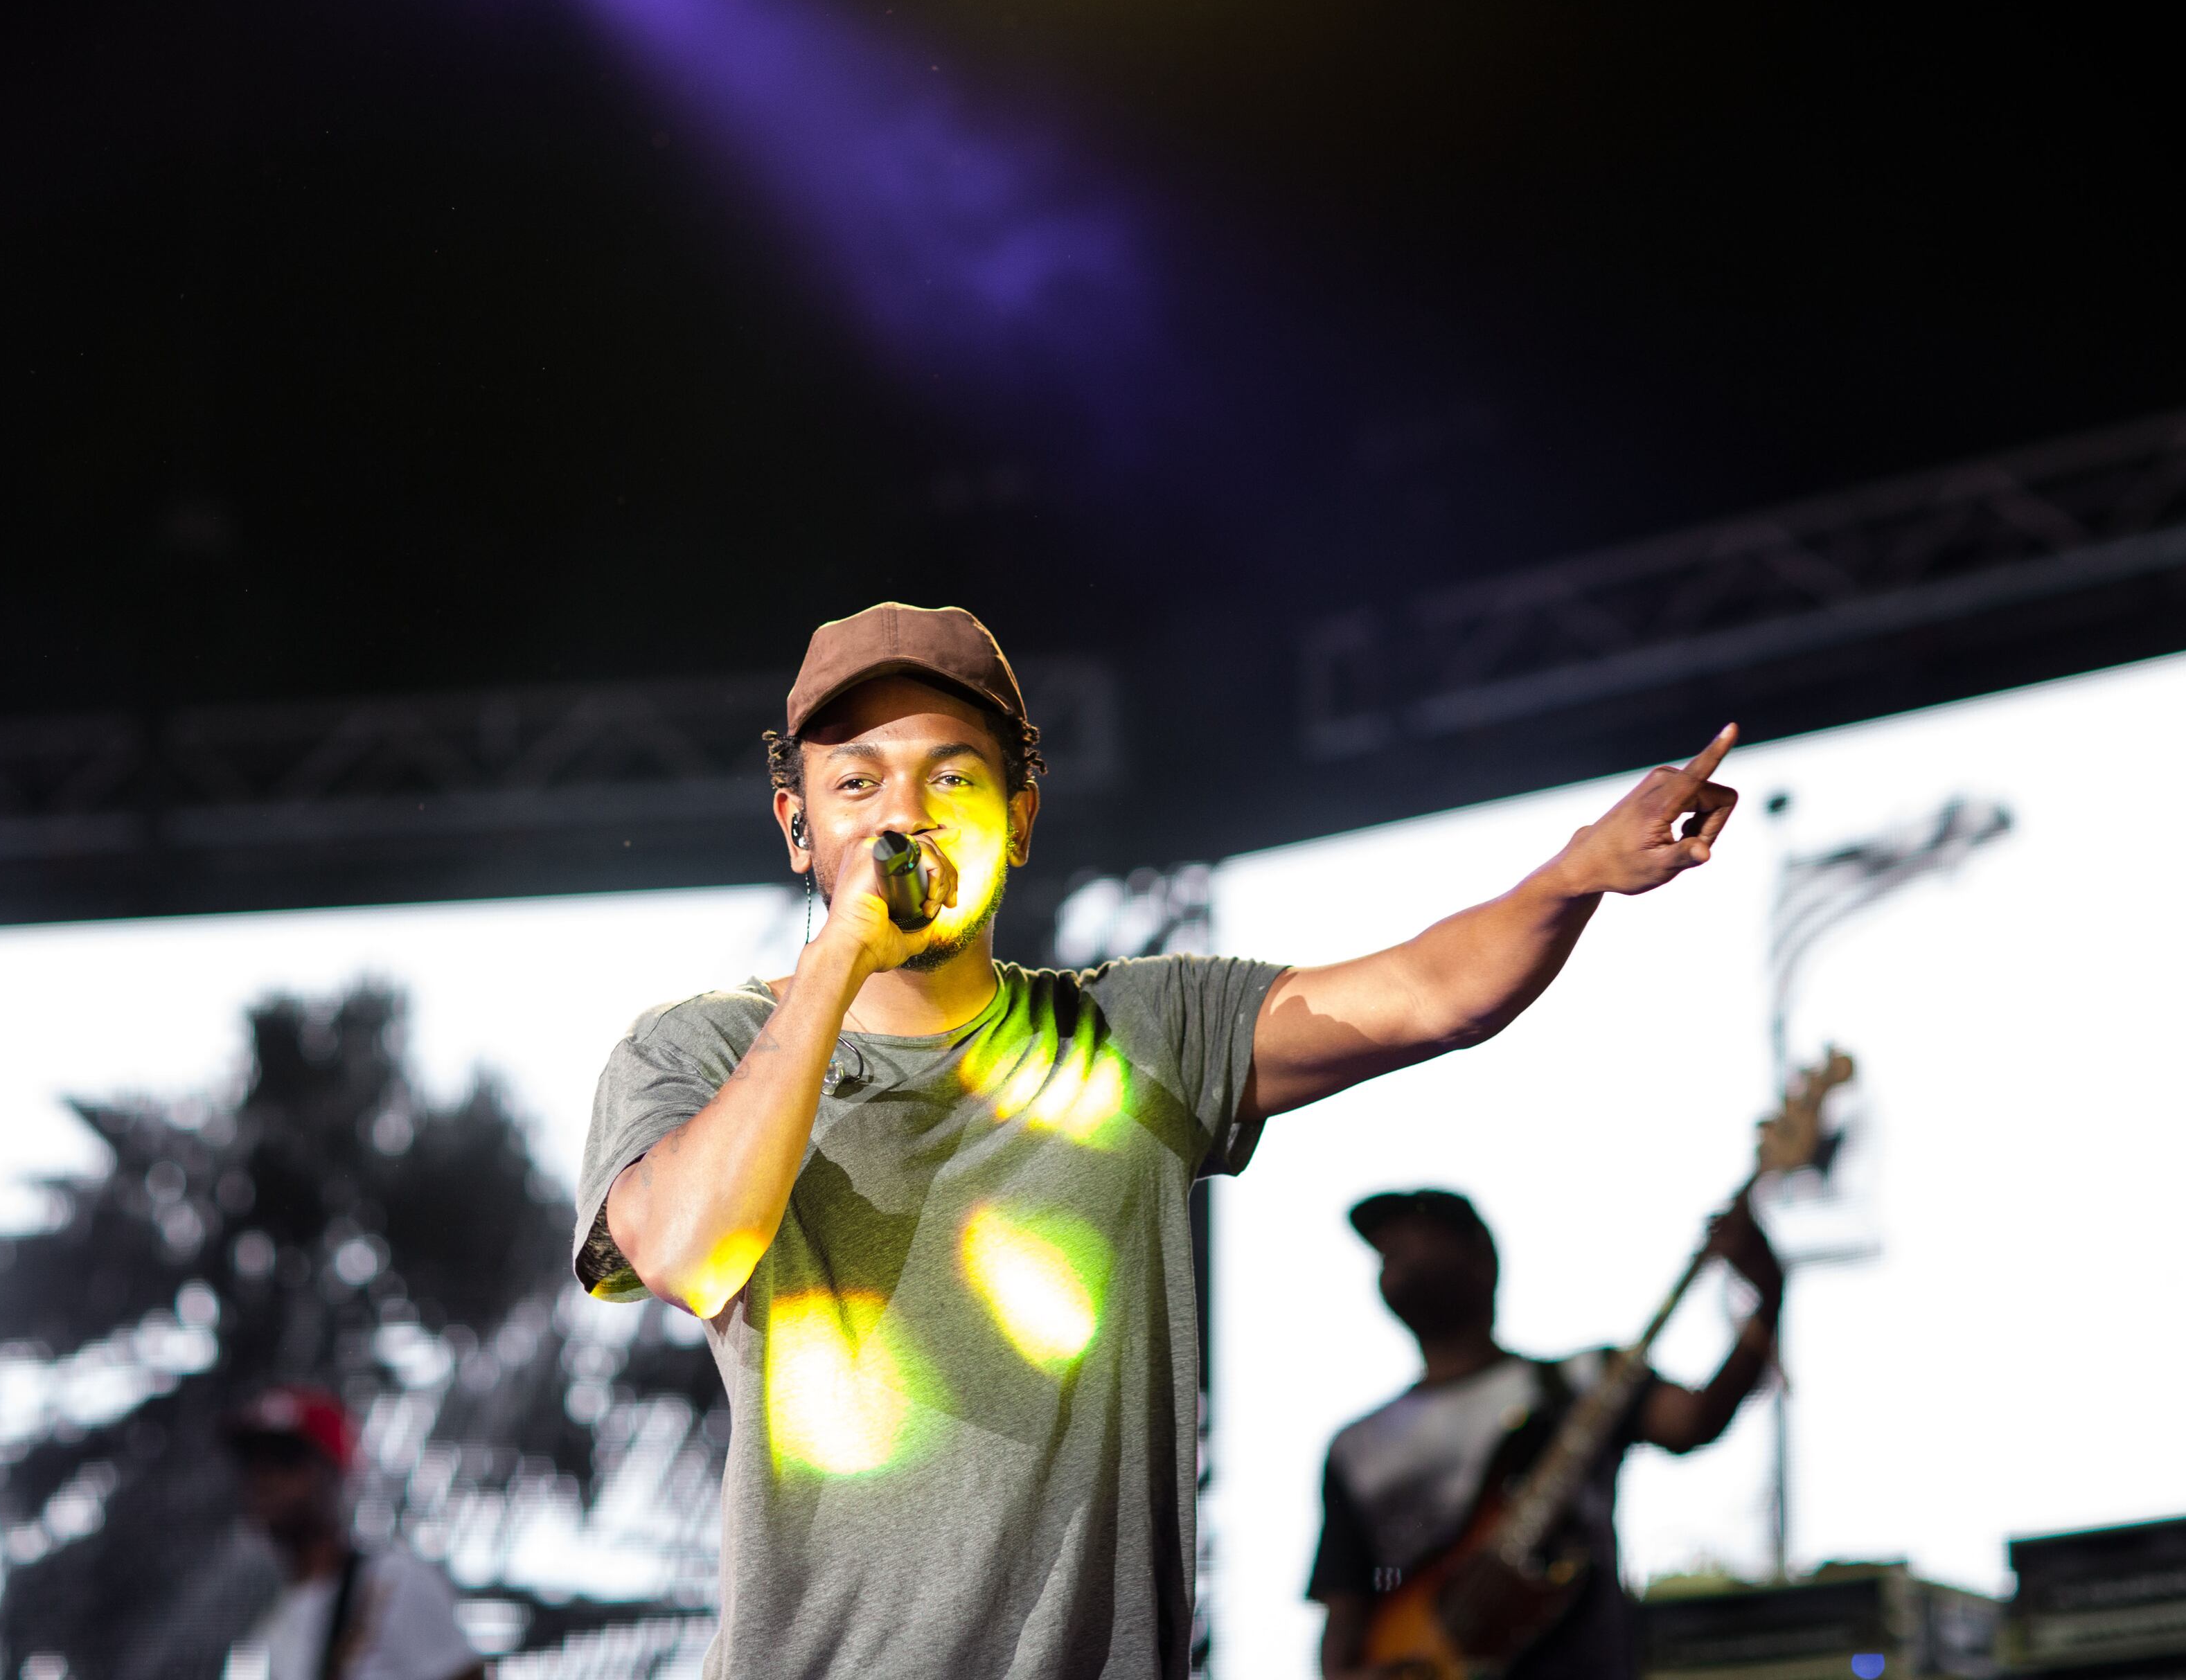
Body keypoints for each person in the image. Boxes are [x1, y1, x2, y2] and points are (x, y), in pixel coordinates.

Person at [571, 600, 1742, 1680]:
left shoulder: (1140, 1033)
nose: (903, 814)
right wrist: (841, 956)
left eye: (953, 776)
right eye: (856, 782)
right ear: (798, 826)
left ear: (1019, 819)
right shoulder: (701, 1051)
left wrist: (1578, 871)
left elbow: (1432, 994)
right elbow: (690, 1250)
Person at [1309, 1189, 1786, 1680]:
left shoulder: (1583, 1381)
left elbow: (1694, 1421)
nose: (1396, 1255)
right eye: (1385, 1251)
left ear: (1481, 1258)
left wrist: (1768, 1291)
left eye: (1419, 1236)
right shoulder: (1357, 1447)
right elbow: (1342, 1609)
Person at [226, 1386, 482, 1680]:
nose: (264, 1481)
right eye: (254, 1466)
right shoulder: (278, 1615)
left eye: (286, 1462)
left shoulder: (392, 1582)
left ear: (335, 1475)